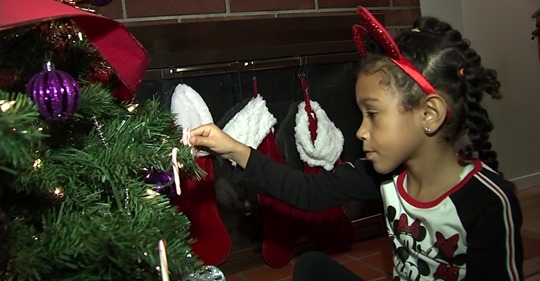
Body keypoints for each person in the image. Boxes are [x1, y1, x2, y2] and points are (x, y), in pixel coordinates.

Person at [187, 6, 523, 281]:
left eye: (373, 114)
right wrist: (232, 148)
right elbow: (307, 192)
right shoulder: (385, 176)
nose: (361, 131)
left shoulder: (488, 201)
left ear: (429, 114)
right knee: (312, 267)